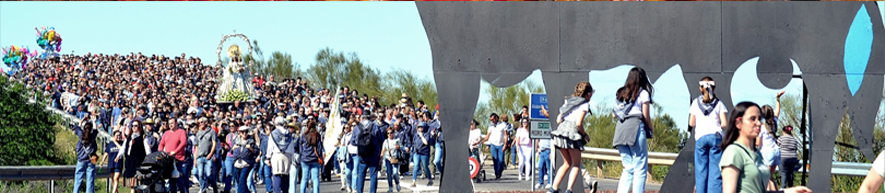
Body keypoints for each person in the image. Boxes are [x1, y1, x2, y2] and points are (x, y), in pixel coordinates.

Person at [719, 102, 811, 193]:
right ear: (738, 123)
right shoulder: (733, 152)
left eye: (760, 119)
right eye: (753, 119)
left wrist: (788, 191)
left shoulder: (757, 154)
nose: (758, 123)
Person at [611, 67, 653, 193]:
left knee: (628, 167)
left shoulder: (621, 93)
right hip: (635, 127)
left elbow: (614, 114)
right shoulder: (643, 93)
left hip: (620, 130)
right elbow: (646, 115)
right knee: (640, 167)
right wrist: (650, 128)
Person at [547, 81, 593, 193]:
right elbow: (578, 123)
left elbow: (558, 119)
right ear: (588, 94)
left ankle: (553, 188)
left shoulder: (569, 102)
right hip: (572, 133)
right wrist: (584, 134)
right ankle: (569, 190)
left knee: (566, 163)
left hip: (561, 131)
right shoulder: (584, 104)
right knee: (576, 164)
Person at [689, 76, 728, 193]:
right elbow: (724, 123)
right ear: (714, 88)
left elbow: (691, 123)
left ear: (700, 88)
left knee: (701, 171)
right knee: (715, 172)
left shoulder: (695, 103)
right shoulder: (719, 103)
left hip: (701, 138)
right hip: (715, 137)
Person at [756, 90, 785, 191]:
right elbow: (777, 111)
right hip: (776, 151)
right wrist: (778, 99)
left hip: (767, 152)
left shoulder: (761, 126)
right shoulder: (774, 122)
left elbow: (758, 143)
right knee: (770, 177)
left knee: (765, 178)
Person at [159, 120, 189, 193]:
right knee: (171, 177)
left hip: (178, 158)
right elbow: (161, 144)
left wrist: (175, 151)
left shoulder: (181, 132)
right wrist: (160, 152)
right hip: (168, 158)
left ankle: (183, 191)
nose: (170, 125)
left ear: (176, 123)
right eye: (169, 123)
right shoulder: (166, 133)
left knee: (178, 177)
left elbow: (183, 143)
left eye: (172, 123)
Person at [267, 117, 295, 193]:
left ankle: (277, 191)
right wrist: (292, 157)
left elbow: (270, 147)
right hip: (287, 155)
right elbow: (291, 146)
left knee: (277, 175)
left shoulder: (273, 133)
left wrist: (268, 157)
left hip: (276, 155)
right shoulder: (289, 133)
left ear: (275, 123)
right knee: (286, 175)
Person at [295, 121, 324, 193]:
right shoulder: (317, 135)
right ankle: (316, 191)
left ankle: (303, 191)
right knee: (315, 178)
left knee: (304, 178)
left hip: (305, 158)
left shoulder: (304, 135)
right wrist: (320, 156)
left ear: (307, 127)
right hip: (314, 158)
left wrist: (302, 153)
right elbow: (319, 148)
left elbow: (300, 144)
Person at [123, 120, 149, 193]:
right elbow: (123, 148)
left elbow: (147, 150)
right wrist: (119, 156)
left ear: (139, 127)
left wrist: (149, 160)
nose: (134, 127)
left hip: (139, 163)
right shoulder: (129, 138)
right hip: (129, 163)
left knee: (139, 186)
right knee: (132, 186)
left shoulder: (143, 137)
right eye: (132, 126)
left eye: (136, 126)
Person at [73, 121, 98, 193]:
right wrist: (94, 121)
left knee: (78, 179)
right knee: (90, 179)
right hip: (90, 159)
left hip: (81, 160)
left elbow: (77, 128)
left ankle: (76, 191)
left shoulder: (81, 135)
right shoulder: (92, 136)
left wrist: (82, 121)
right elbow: (95, 130)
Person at [194, 117, 217, 193]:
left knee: (209, 174)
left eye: (201, 122)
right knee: (200, 174)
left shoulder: (212, 131)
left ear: (206, 122)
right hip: (200, 156)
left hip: (208, 156)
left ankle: (214, 185)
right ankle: (203, 189)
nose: (200, 124)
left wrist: (211, 154)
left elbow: (214, 143)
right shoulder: (198, 133)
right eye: (199, 122)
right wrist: (195, 158)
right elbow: (196, 146)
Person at [482, 113, 508, 180]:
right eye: (491, 120)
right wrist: (482, 142)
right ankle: (497, 174)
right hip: (493, 145)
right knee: (495, 160)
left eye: (493, 119)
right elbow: (488, 136)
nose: (492, 121)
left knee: (501, 160)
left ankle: (500, 170)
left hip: (501, 145)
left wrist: (505, 144)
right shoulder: (491, 126)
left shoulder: (503, 125)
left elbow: (506, 135)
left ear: (496, 118)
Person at [381, 128, 403, 192]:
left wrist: (399, 148)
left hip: (395, 158)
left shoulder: (397, 140)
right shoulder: (386, 141)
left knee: (395, 173)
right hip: (388, 158)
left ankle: (397, 183)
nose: (389, 134)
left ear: (393, 133)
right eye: (388, 133)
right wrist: (381, 158)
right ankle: (390, 187)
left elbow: (401, 148)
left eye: (391, 133)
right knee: (389, 173)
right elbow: (383, 150)